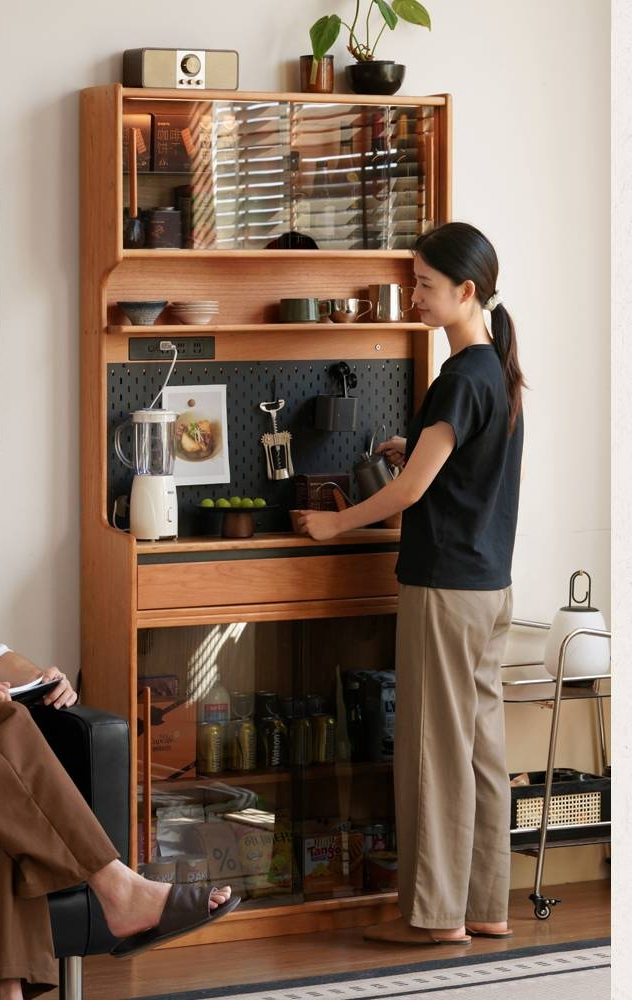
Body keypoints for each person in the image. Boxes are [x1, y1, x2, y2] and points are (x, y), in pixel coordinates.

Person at [299, 222, 525, 946]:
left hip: (445, 590)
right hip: (489, 589)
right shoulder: (494, 371)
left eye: (426, 284)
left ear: (466, 291)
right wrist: (411, 443)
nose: (415, 295)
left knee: (434, 754)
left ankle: (433, 918)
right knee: (482, 754)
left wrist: (337, 527)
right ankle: (487, 906)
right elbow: (453, 468)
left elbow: (409, 492)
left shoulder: (459, 377)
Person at [0, 570, 239, 999]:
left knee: (3, 807)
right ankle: (119, 889)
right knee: (3, 725)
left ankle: (9, 993)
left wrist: (40, 678)